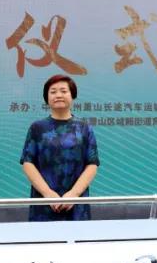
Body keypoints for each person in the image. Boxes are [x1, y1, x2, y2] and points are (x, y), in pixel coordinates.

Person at [20, 74, 99, 221]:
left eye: (63, 91)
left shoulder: (84, 128)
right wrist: (48, 194)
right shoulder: (37, 127)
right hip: (44, 203)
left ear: (72, 95)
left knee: (79, 235)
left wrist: (74, 194)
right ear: (47, 98)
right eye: (53, 92)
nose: (58, 95)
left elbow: (92, 164)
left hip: (76, 203)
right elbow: (27, 163)